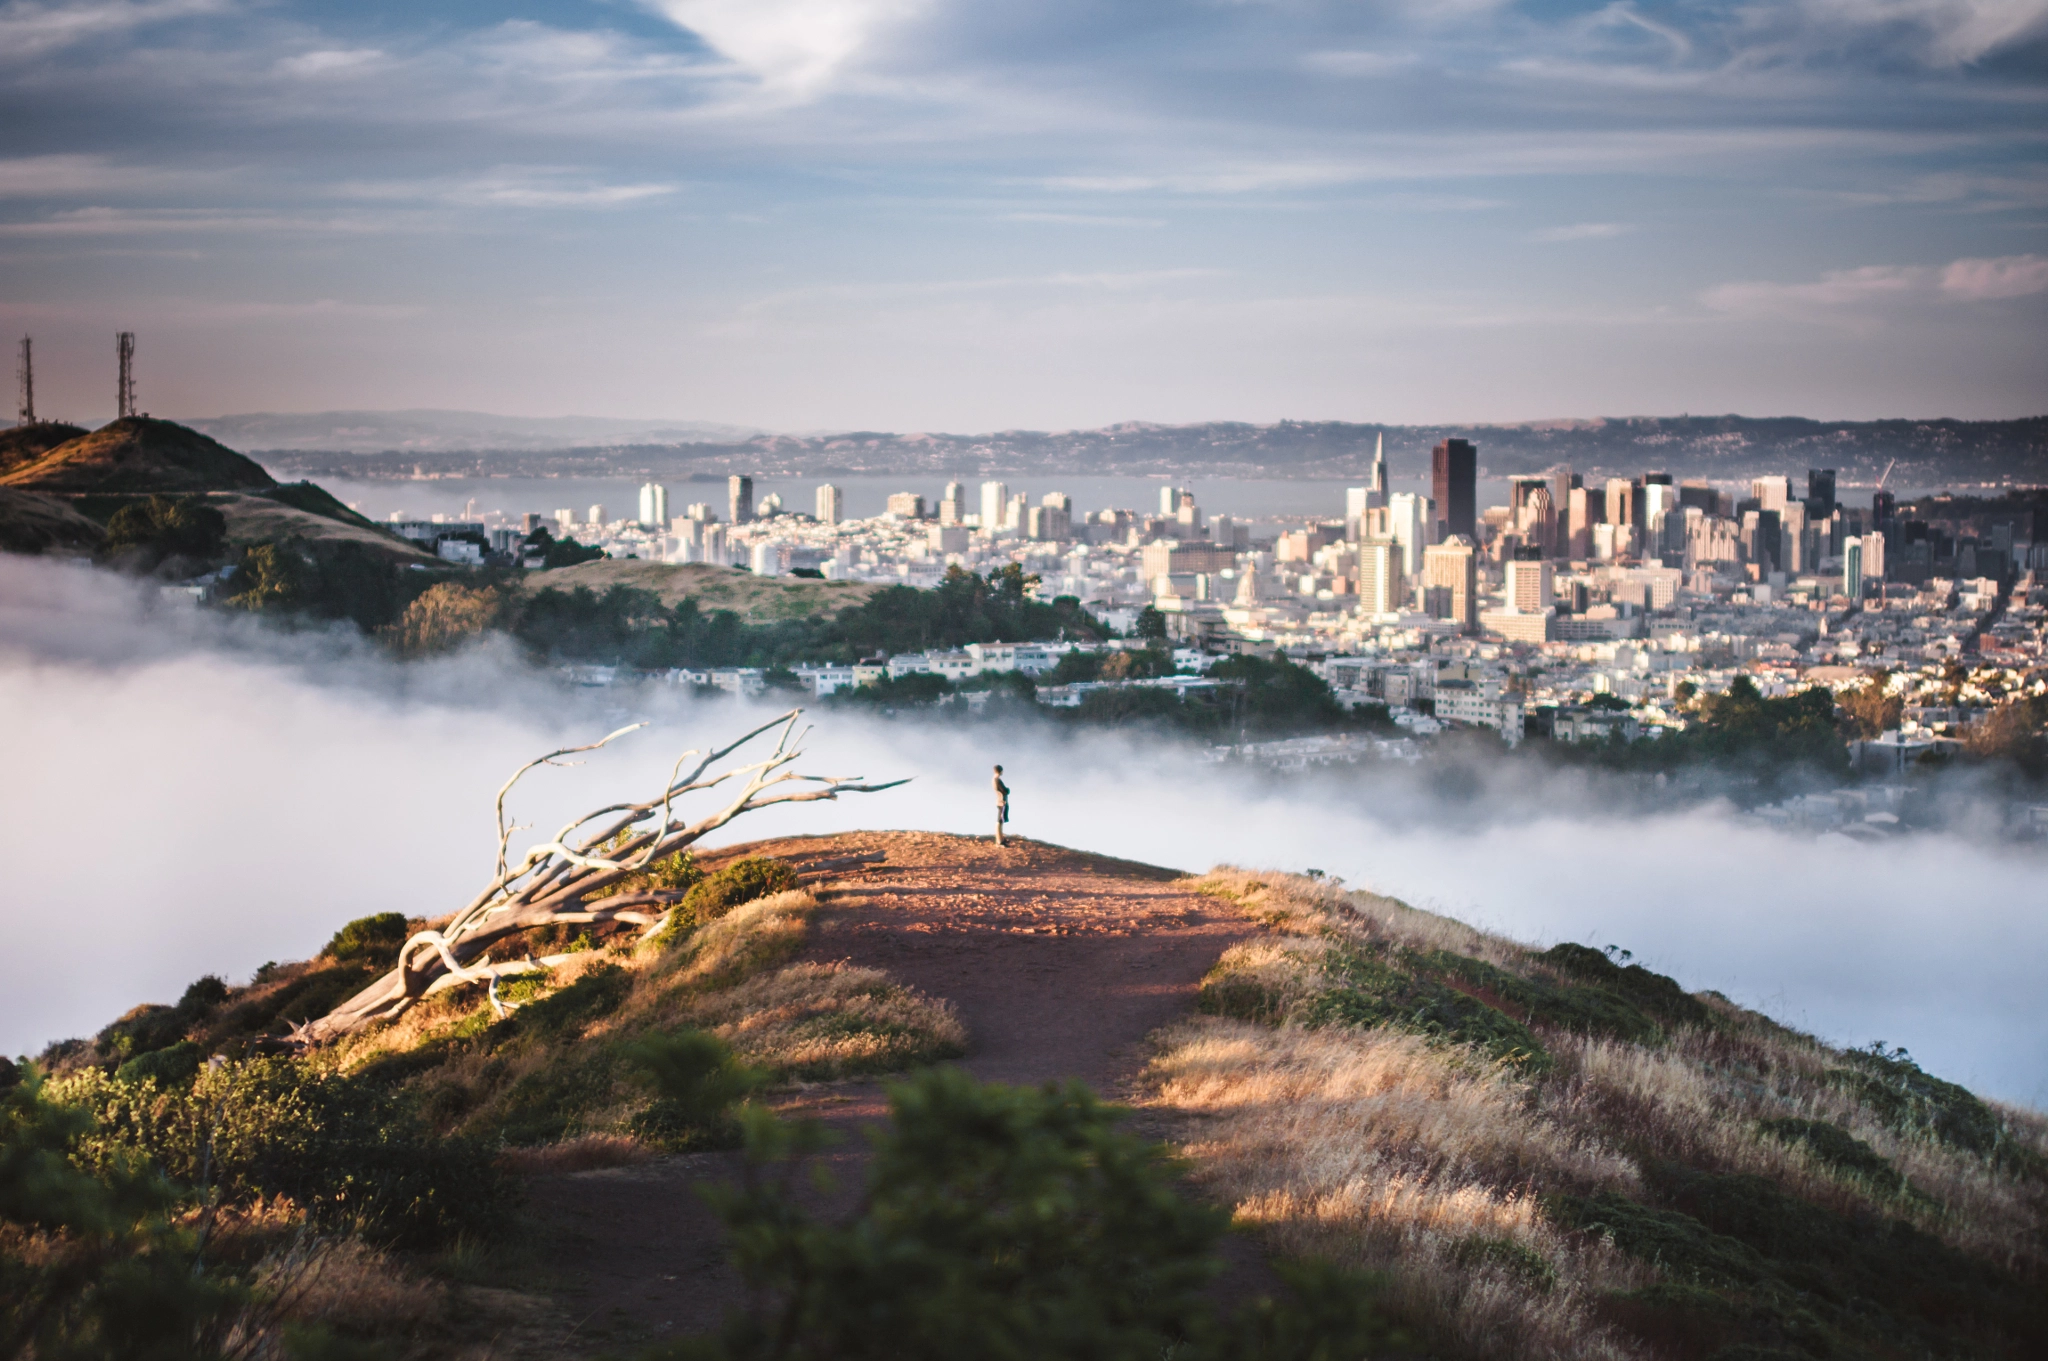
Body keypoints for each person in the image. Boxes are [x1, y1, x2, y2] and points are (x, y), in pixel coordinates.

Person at [992, 763, 1010, 846]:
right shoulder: (997, 780)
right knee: (1000, 821)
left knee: (1000, 820)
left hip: (999, 801)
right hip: (1002, 801)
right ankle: (999, 841)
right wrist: (1007, 790)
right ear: (1000, 771)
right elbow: (1004, 790)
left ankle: (1000, 839)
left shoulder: (994, 779)